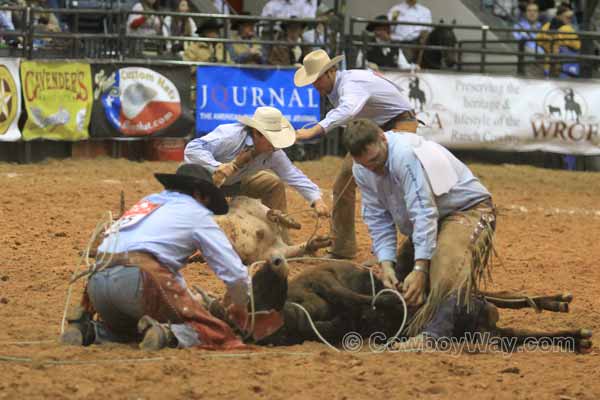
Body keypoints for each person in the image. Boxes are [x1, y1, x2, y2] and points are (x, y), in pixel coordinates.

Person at [60, 164, 251, 351]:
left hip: (97, 284)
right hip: (138, 282)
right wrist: (241, 305)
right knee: (215, 331)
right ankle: (167, 334)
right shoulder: (197, 214)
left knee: (132, 330)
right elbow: (235, 274)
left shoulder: (148, 202)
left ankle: (90, 331)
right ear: (200, 195)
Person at [344, 119, 496, 346]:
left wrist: (420, 268)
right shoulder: (362, 170)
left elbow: (423, 211)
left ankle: (435, 335)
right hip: (431, 220)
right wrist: (386, 263)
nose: (372, 169)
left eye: (375, 160)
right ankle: (476, 310)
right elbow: (378, 218)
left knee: (444, 267)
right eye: (365, 164)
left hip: (467, 210)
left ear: (383, 138)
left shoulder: (405, 155)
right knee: (396, 290)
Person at [293, 49, 415, 259]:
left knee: (388, 185)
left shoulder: (350, 84)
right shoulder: (342, 84)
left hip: (398, 125)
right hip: (377, 129)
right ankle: (343, 248)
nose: (315, 85)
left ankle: (391, 252)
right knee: (343, 183)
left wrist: (315, 129)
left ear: (331, 71)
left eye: (317, 79)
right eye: (312, 81)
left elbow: (348, 110)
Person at [184, 106, 329, 243]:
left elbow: (293, 174)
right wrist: (217, 167)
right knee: (209, 228)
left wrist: (316, 199)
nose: (276, 145)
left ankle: (279, 242)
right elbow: (192, 149)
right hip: (206, 183)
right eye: (272, 139)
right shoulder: (230, 136)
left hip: (236, 181)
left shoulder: (273, 152)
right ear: (256, 133)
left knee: (272, 184)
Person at [536, 3, 580, 77]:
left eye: (571, 18)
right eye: (567, 17)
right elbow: (578, 45)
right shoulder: (567, 29)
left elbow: (538, 41)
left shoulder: (546, 26)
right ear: (559, 16)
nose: (570, 20)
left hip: (548, 64)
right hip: (564, 66)